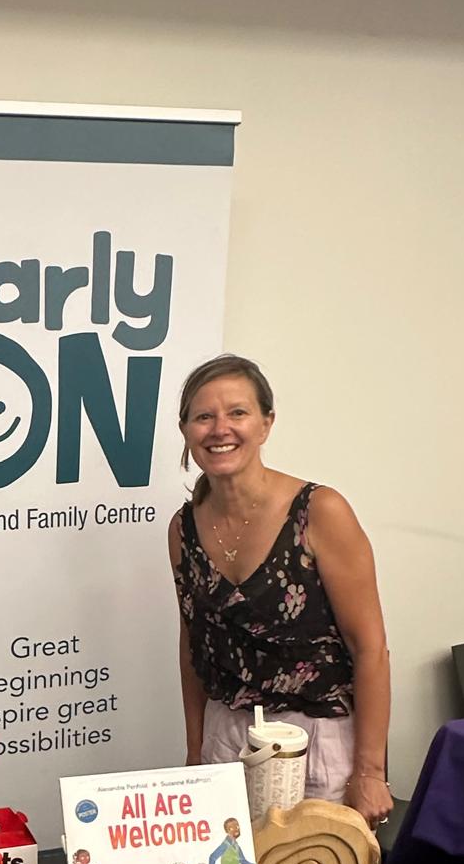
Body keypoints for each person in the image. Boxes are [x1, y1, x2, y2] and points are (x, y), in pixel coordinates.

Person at [168, 354, 392, 828]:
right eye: (204, 416)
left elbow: (369, 647)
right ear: (185, 429)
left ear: (266, 423)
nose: (220, 429)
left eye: (238, 412)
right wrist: (194, 753)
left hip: (318, 740)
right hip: (226, 737)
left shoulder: (320, 511)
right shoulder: (183, 528)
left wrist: (370, 772)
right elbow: (193, 646)